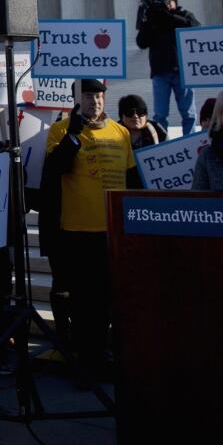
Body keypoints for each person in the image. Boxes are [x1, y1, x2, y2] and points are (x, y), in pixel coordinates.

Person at [38, 79, 139, 375]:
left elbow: (132, 180)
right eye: (87, 95)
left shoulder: (121, 132)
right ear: (76, 99)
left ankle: (99, 354)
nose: (94, 100)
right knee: (81, 301)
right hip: (76, 229)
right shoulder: (60, 130)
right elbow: (56, 169)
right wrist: (72, 135)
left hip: (111, 230)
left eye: (98, 95)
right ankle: (85, 360)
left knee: (106, 299)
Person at [135, 0, 200, 134]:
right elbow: (141, 42)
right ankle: (162, 144)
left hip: (183, 71)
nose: (164, 6)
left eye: (166, 3)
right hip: (160, 72)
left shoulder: (183, 15)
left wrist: (168, 15)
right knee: (160, 114)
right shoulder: (153, 19)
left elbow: (194, 27)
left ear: (173, 3)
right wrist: (148, 17)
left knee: (188, 113)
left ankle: (189, 142)